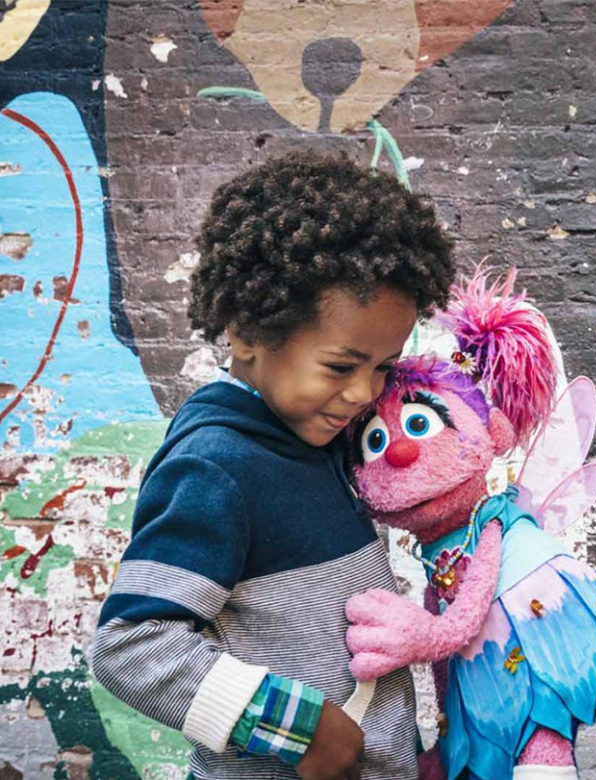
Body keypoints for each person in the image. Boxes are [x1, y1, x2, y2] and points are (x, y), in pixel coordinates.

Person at [91, 150, 456, 780]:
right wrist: (302, 728)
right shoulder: (217, 468)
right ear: (248, 332)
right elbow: (130, 644)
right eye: (342, 366)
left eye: (383, 367)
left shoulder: (321, 441)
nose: (365, 393)